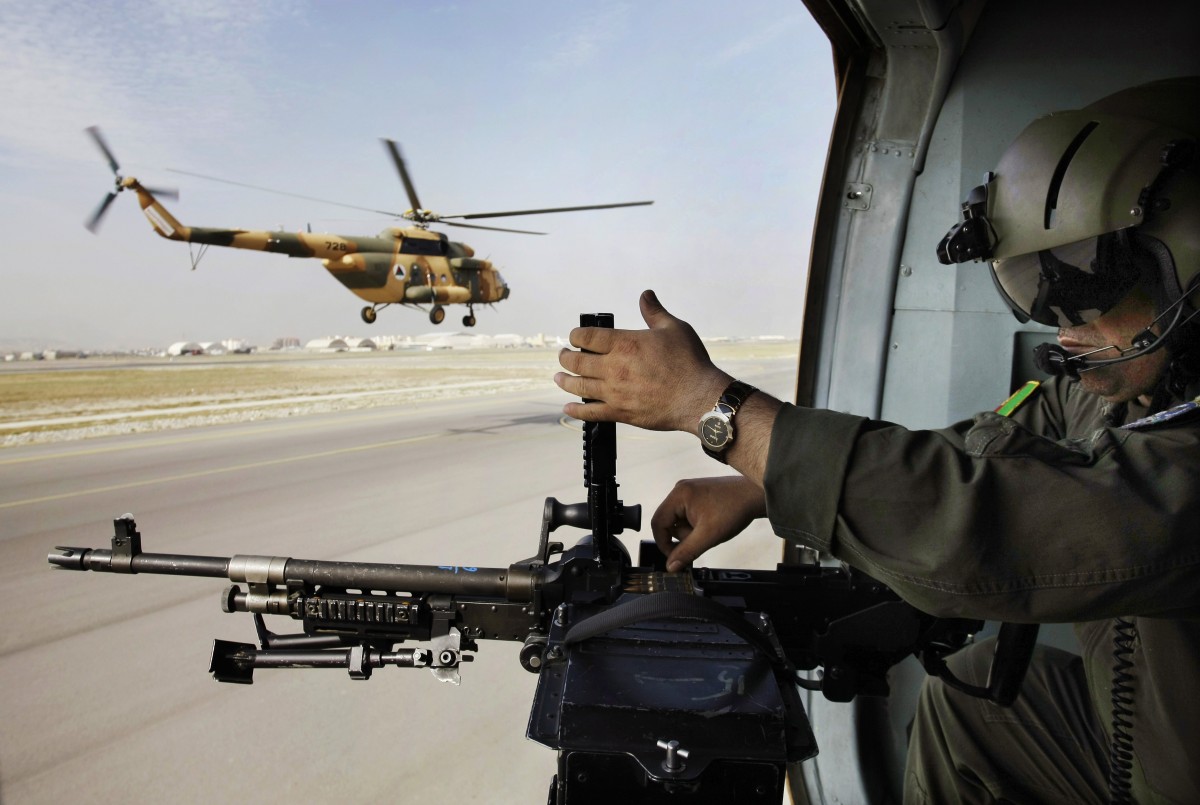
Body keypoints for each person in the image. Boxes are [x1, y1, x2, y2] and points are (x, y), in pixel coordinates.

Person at [554, 77, 1199, 804]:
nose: (1062, 324)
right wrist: (764, 486)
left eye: (1092, 284)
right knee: (973, 707)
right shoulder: (1124, 394)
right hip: (1150, 743)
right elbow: (978, 453)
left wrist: (715, 408)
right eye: (1037, 289)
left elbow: (989, 520)